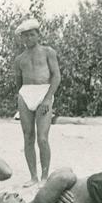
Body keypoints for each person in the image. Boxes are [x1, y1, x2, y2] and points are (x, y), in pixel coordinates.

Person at [13, 18, 61, 187]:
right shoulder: (19, 59)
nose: (28, 39)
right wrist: (21, 96)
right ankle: (33, 176)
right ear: (22, 38)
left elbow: (56, 75)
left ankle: (45, 177)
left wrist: (48, 98)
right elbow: (18, 82)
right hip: (26, 93)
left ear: (38, 34)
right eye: (25, 36)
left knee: (42, 138)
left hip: (43, 92)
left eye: (32, 35)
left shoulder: (48, 52)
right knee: (28, 137)